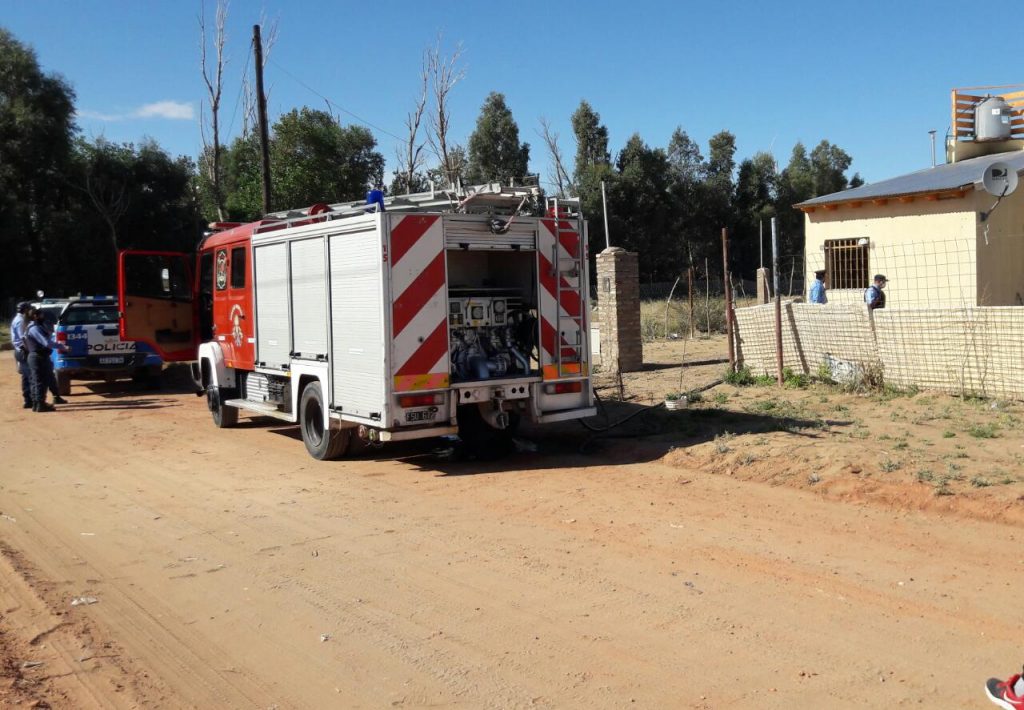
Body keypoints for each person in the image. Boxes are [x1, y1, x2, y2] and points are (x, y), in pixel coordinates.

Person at [23, 307, 67, 412]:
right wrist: (62, 346)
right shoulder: (35, 328)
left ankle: (37, 403)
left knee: (37, 380)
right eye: (41, 315)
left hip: (37, 356)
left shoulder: (32, 326)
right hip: (38, 357)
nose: (43, 317)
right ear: (35, 316)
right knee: (40, 381)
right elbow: (46, 343)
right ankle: (40, 404)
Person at [11, 301, 32, 409]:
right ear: (25, 310)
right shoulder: (20, 321)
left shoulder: (17, 319)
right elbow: (23, 338)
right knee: (29, 375)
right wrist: (29, 349)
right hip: (23, 351)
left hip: (19, 350)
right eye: (29, 308)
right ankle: (30, 400)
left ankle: (27, 400)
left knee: (25, 376)